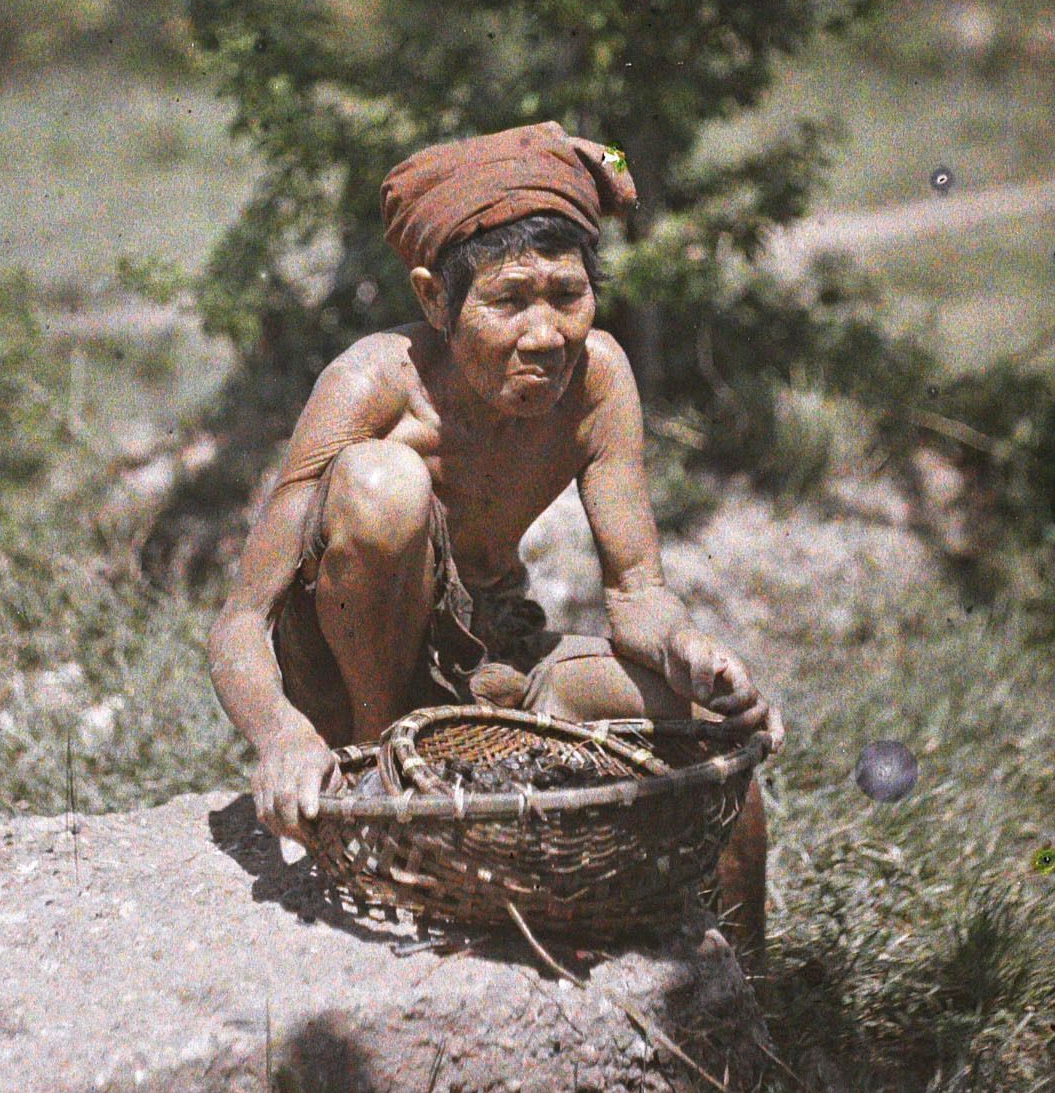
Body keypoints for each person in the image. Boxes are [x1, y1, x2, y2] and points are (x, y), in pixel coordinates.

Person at [207, 121, 781, 940]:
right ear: (434, 299)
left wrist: (694, 655)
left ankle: (750, 996)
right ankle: (388, 773)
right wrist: (282, 737)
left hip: (491, 663)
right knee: (382, 481)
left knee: (712, 735)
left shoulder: (598, 379)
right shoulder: (373, 383)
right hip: (354, 687)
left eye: (567, 296)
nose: (544, 335)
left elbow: (638, 595)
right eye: (508, 300)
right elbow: (239, 622)